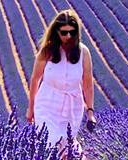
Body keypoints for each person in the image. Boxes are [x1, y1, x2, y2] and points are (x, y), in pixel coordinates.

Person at [26, 9, 96, 151]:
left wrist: (90, 113)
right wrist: (31, 108)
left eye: (72, 32)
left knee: (66, 146)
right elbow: (35, 80)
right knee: (49, 142)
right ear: (57, 31)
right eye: (64, 32)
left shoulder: (83, 53)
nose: (68, 36)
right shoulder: (47, 51)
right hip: (47, 103)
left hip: (72, 107)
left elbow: (88, 85)